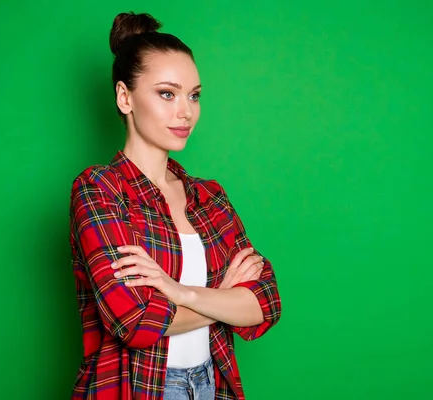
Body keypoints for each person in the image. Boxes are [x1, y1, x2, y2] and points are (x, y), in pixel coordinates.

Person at [69, 11, 281, 400]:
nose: (186, 111)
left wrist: (178, 292)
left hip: (211, 385)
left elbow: (265, 301)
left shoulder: (209, 196)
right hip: (138, 388)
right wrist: (224, 297)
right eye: (167, 93)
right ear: (124, 97)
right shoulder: (100, 190)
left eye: (194, 95)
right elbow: (133, 321)